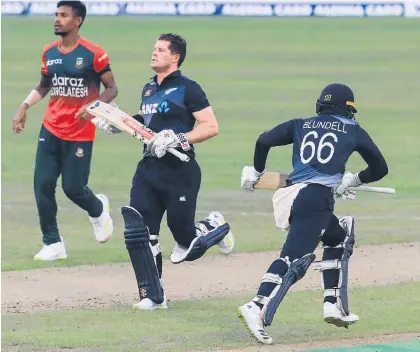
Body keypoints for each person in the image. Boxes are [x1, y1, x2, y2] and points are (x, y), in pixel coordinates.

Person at [237, 83, 388, 344]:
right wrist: (353, 180)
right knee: (293, 259)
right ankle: (256, 305)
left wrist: (258, 172)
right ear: (346, 108)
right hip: (316, 200)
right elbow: (379, 168)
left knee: (337, 237)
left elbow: (264, 140)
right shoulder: (353, 130)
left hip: (294, 195)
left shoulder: (301, 124)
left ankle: (332, 303)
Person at [95, 33, 235, 310]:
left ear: (176, 57)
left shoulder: (188, 88)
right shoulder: (149, 88)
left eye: (161, 49)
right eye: (154, 48)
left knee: (186, 244)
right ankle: (153, 295)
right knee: (141, 233)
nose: (154, 53)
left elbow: (210, 126)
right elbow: (146, 122)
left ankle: (213, 226)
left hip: (180, 171)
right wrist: (117, 123)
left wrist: (178, 138)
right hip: (148, 170)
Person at [12, 1, 118, 261]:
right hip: (50, 128)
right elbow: (44, 84)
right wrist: (24, 106)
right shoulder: (49, 52)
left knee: (73, 188)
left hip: (80, 133)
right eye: (56, 14)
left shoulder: (94, 53)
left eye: (63, 15)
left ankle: (98, 209)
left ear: (78, 20)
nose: (57, 19)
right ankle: (53, 243)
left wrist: (92, 106)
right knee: (43, 185)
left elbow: (112, 89)